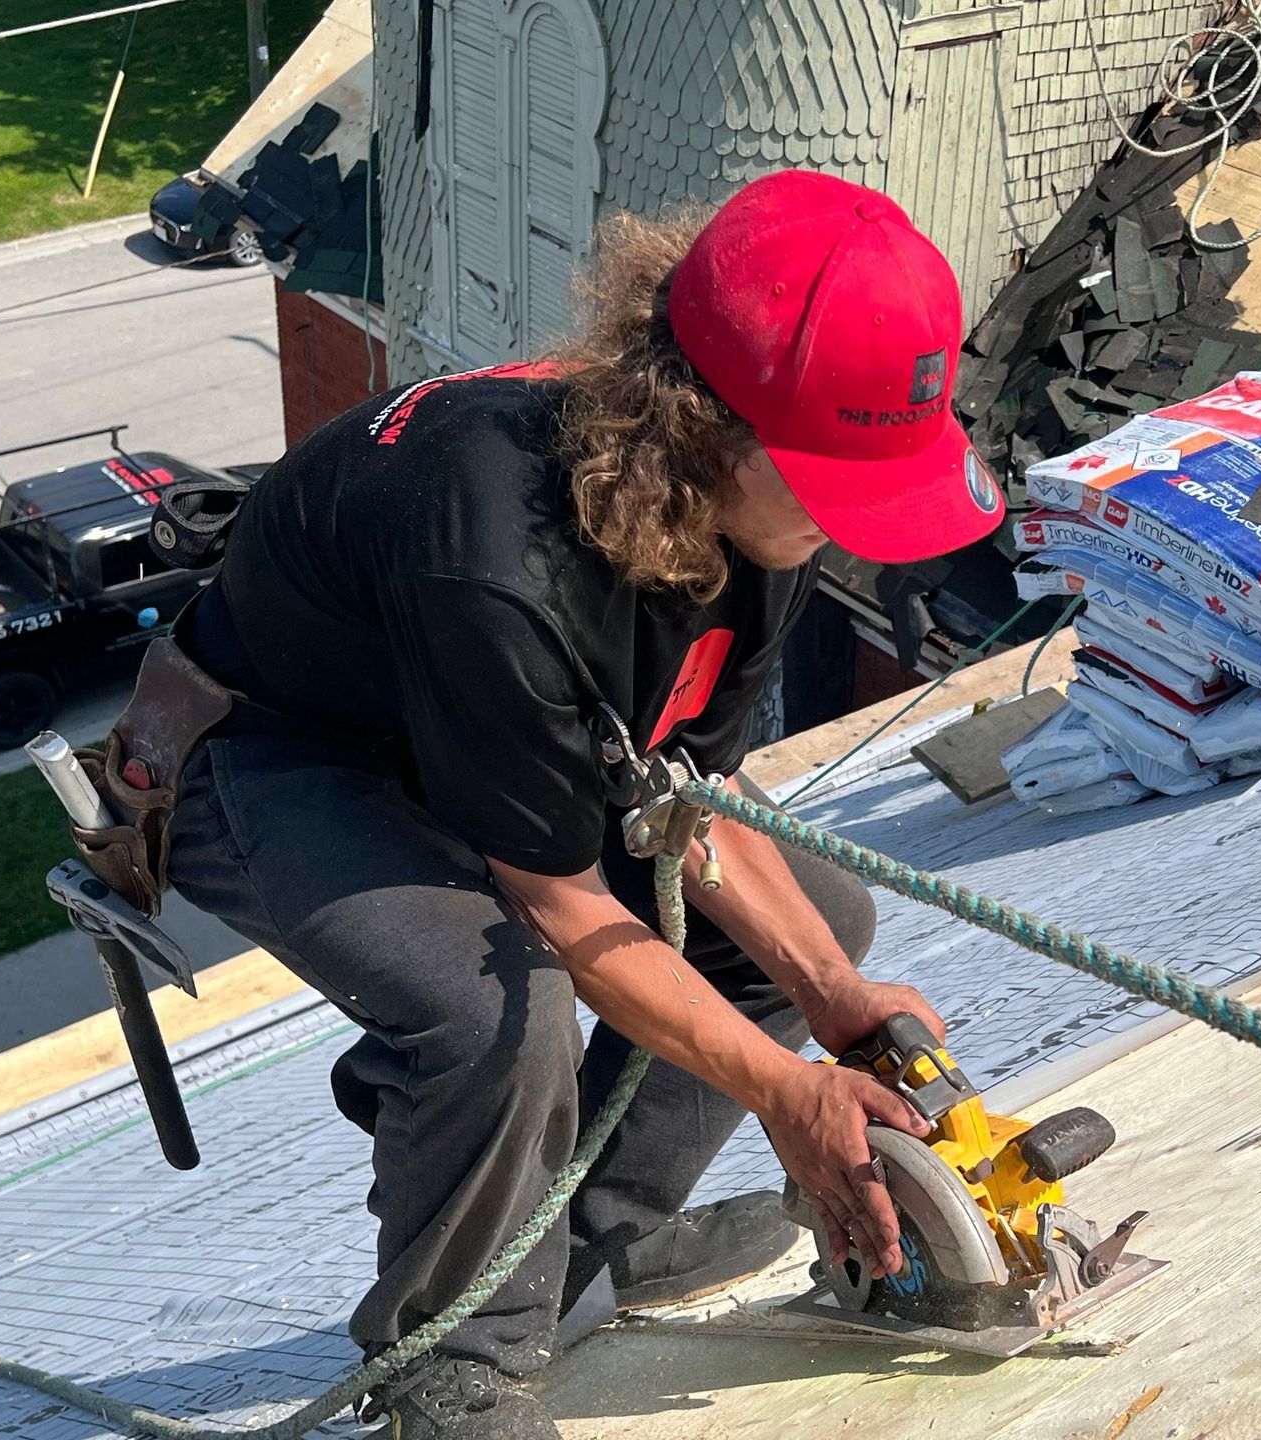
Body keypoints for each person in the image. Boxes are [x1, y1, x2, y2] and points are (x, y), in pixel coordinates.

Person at [157, 170, 1007, 1438]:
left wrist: (831, 1003)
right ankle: (453, 1367)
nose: (853, 527)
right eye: (834, 481)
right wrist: (787, 1093)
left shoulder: (748, 529)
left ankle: (581, 1253)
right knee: (491, 1002)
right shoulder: (496, 559)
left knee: (823, 918)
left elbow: (690, 799)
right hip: (269, 753)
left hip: (474, 732)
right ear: (705, 425)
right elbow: (560, 906)